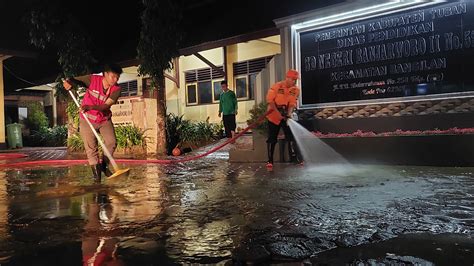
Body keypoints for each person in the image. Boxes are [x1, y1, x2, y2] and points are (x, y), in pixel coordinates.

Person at [63, 63, 123, 181]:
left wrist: (90, 107)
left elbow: (105, 106)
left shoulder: (117, 89)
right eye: (113, 76)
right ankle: (97, 179)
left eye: (117, 77)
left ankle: (103, 166)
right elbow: (74, 80)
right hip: (87, 119)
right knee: (91, 149)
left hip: (104, 119)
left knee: (111, 142)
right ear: (105, 74)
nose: (115, 80)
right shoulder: (92, 79)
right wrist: (68, 83)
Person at [265, 69, 302, 168]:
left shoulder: (295, 90)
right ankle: (270, 160)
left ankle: (294, 158)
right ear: (287, 78)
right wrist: (277, 114)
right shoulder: (277, 86)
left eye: (295, 80)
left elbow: (292, 103)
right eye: (293, 79)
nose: (294, 81)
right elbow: (270, 101)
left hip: (285, 115)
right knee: (272, 138)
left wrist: (289, 114)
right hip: (273, 114)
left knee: (290, 136)